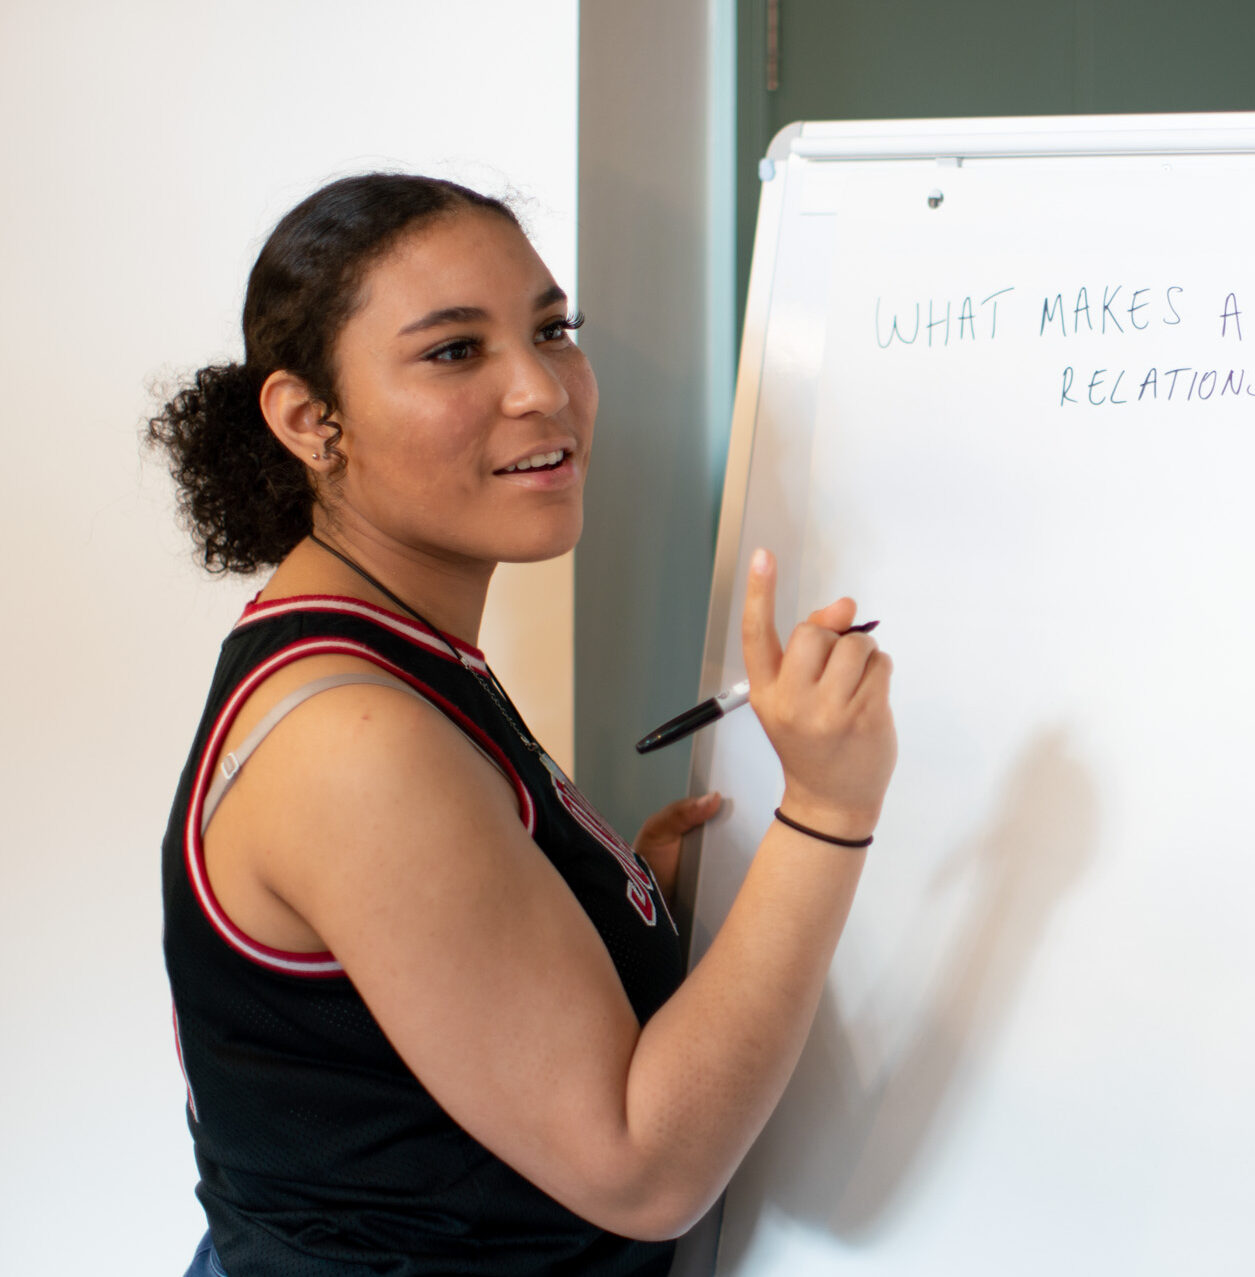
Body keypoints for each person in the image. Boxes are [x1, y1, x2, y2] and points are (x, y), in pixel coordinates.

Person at [147, 174, 897, 1276]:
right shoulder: (352, 739)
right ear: (312, 420)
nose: (542, 387)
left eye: (554, 329)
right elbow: (645, 1171)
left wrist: (602, 904)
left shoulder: (387, 645)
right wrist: (828, 808)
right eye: (455, 351)